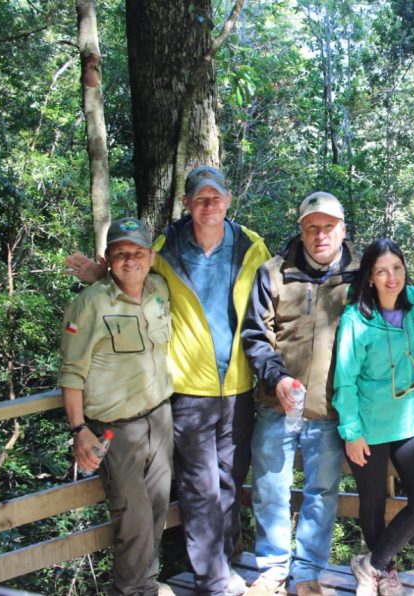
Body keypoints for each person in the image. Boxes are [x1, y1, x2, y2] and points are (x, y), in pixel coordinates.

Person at [66, 166, 271, 595]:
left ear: (229, 200)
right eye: (200, 198)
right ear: (187, 204)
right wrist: (99, 278)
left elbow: (273, 299)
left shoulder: (251, 246)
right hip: (188, 388)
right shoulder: (167, 246)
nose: (209, 204)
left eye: (216, 197)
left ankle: (226, 561)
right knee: (199, 486)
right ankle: (212, 578)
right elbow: (130, 270)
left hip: (237, 384)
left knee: (231, 481)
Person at [242, 192, 360, 596]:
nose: (320, 234)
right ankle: (273, 567)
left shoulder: (361, 276)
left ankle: (308, 571)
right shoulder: (274, 272)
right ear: (302, 230)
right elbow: (257, 335)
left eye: (329, 226)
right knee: (270, 487)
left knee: (322, 492)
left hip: (329, 408)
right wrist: (275, 378)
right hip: (278, 403)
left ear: (343, 230)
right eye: (312, 226)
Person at [60, 217, 173, 595]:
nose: (130, 260)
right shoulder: (89, 304)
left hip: (160, 418)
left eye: (138, 252)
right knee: (133, 519)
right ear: (107, 259)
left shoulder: (159, 289)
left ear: (151, 256)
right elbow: (72, 373)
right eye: (120, 253)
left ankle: (147, 586)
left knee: (157, 511)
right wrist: (79, 430)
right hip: (115, 429)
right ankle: (129, 591)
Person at [332, 239, 414, 596]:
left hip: (410, 420)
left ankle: (371, 564)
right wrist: (351, 432)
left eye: (397, 268)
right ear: (370, 278)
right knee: (373, 505)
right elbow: (344, 380)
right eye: (382, 271)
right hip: (369, 425)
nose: (392, 277)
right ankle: (384, 571)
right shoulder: (356, 320)